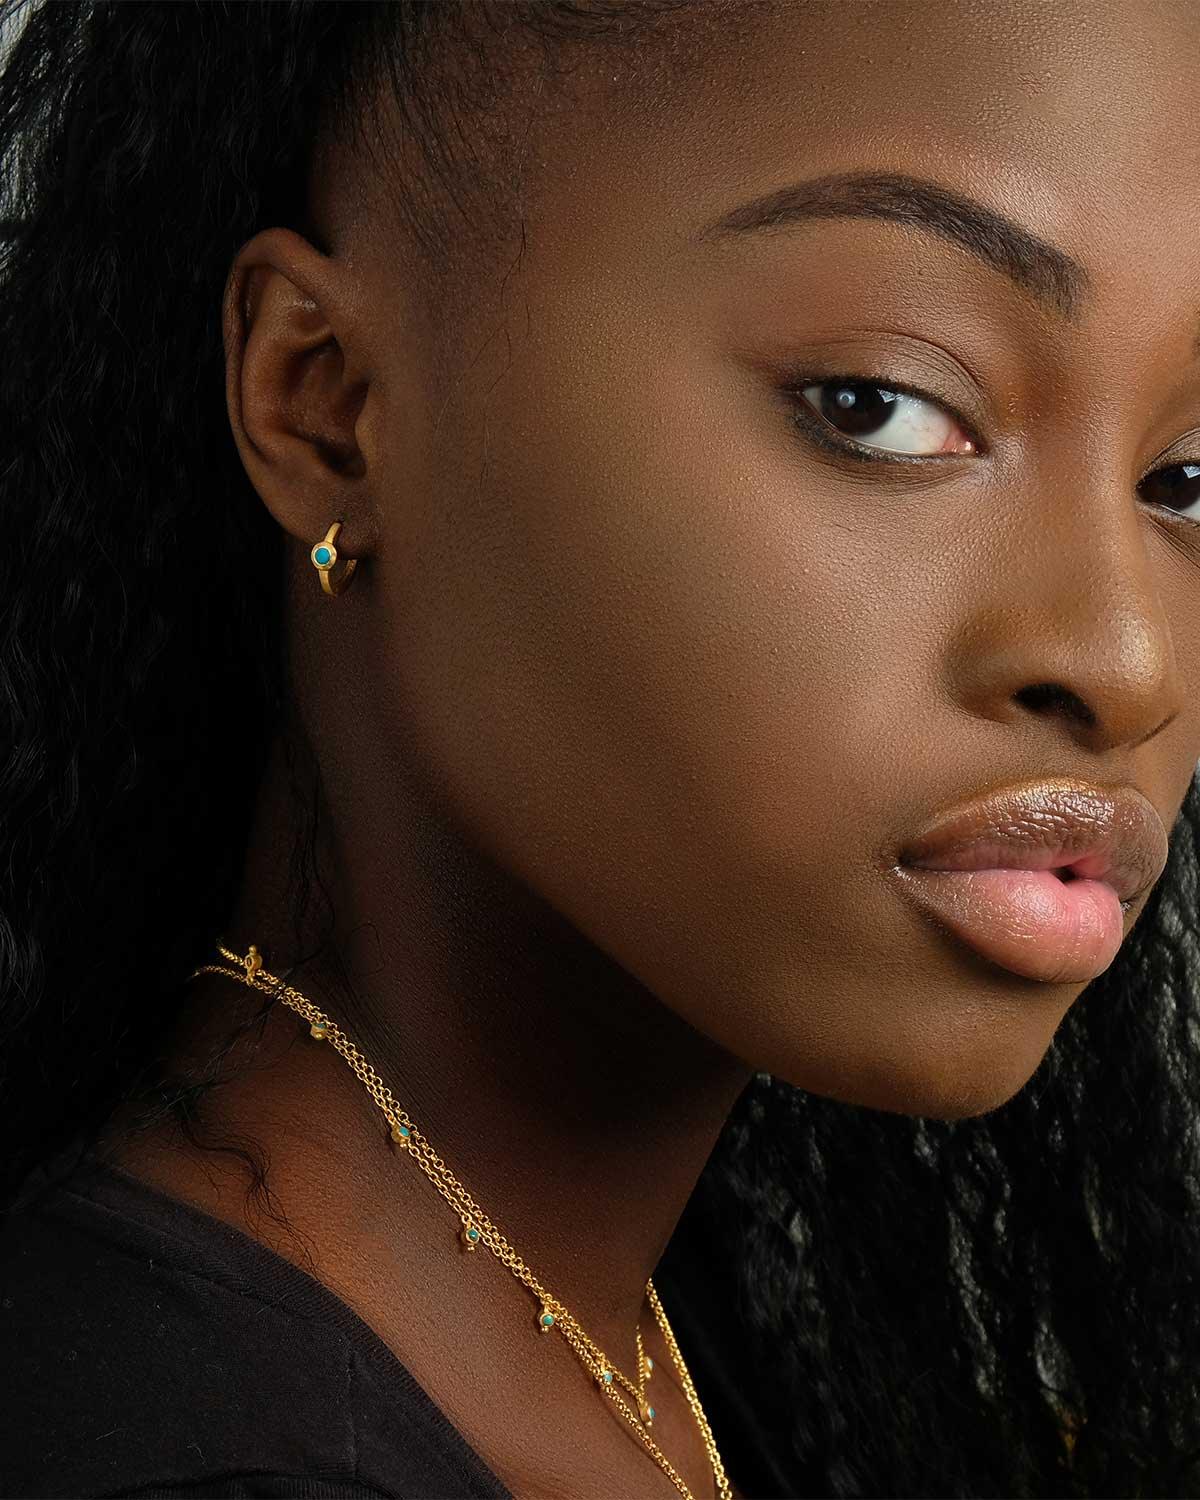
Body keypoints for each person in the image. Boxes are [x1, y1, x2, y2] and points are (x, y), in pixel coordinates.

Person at [3, 0, 1200, 1495]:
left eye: (1187, 479)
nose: (1126, 661)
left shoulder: (637, 1331)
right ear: (328, 405)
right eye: (877, 406)